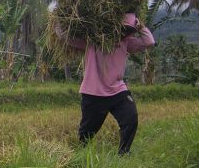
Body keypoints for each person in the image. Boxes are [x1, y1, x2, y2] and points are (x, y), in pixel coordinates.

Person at [66, 13, 155, 155]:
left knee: (130, 119)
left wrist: (140, 26)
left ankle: (124, 154)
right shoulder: (91, 40)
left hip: (118, 91)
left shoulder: (125, 41)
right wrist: (58, 23)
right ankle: (81, 156)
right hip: (93, 92)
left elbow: (149, 42)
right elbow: (66, 38)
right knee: (87, 133)